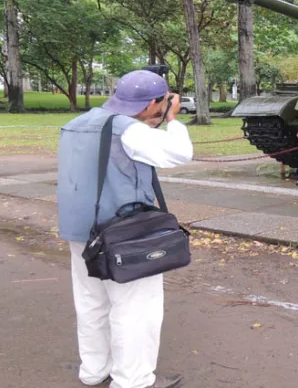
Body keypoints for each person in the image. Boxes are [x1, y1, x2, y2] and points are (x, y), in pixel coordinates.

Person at [57, 70, 192, 388]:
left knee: (91, 302)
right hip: (122, 233)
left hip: (81, 230)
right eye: (161, 103)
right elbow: (180, 153)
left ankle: (94, 370)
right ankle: (133, 380)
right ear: (151, 103)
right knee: (135, 308)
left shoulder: (77, 123)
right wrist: (172, 118)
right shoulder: (128, 130)